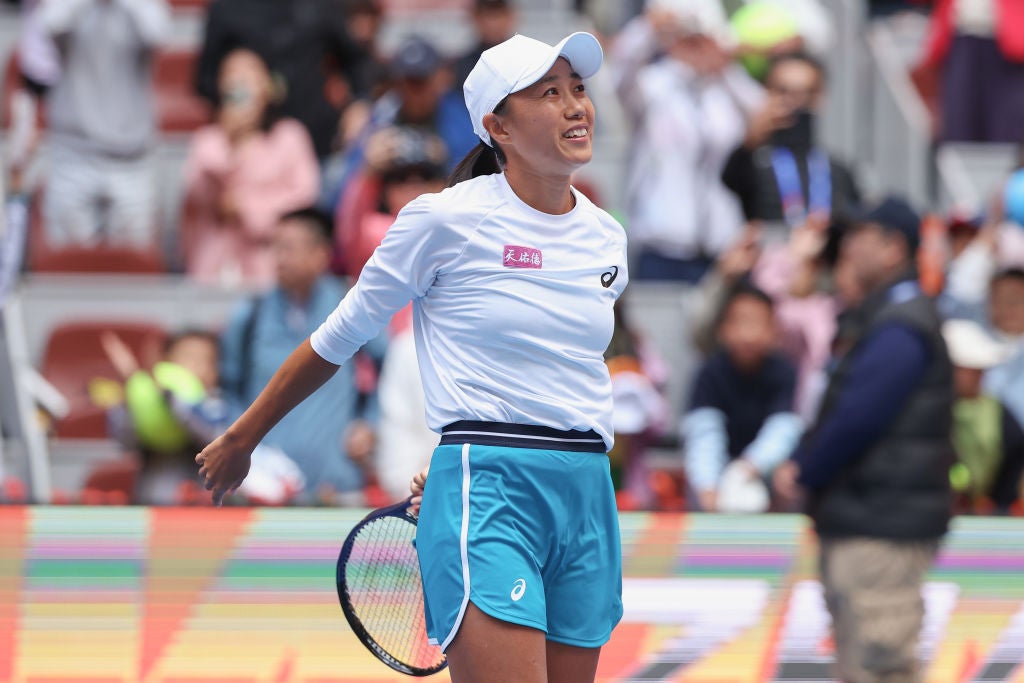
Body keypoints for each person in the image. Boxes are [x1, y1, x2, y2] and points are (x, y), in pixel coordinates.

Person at [197, 31, 627, 682]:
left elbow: (570, 377)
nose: (575, 107)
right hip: (490, 489)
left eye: (578, 90)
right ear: (497, 127)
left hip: (588, 492)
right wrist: (243, 435)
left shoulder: (608, 237)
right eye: (549, 93)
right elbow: (335, 338)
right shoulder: (441, 221)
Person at [773, 197, 955, 683]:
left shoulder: (901, 324)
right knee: (867, 665)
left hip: (881, 522)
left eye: (861, 235)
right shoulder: (887, 316)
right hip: (872, 514)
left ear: (893, 249)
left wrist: (805, 469)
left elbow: (857, 418)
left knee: (879, 666)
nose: (848, 247)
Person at [218, 209, 383, 505]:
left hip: (337, 484)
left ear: (321, 254)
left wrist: (369, 422)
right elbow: (229, 391)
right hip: (266, 488)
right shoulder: (250, 314)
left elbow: (390, 368)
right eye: (275, 247)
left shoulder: (352, 304)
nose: (279, 258)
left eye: (290, 248)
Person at [610, 0, 763, 282]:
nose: (694, 47)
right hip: (663, 242)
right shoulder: (654, 85)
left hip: (722, 243)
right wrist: (648, 30)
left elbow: (761, 116)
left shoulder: (725, 93)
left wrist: (725, 64)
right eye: (688, 39)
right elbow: (620, 75)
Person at [183, 49, 320, 287]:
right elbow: (195, 196)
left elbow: (304, 196)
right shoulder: (207, 141)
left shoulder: (289, 136)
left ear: (268, 87)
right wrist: (231, 145)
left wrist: (248, 207)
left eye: (249, 73)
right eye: (232, 74)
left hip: (271, 264)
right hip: (214, 265)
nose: (240, 81)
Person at [41, 0, 169, 248]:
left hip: (132, 159)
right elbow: (50, 23)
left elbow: (158, 32)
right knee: (69, 267)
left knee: (132, 265)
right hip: (72, 155)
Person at [682, 282, 803, 512]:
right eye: (739, 322)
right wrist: (708, 488)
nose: (748, 333)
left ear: (774, 330)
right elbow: (703, 434)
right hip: (717, 477)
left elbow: (783, 430)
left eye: (757, 323)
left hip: (760, 472)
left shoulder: (785, 372)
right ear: (722, 329)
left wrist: (748, 468)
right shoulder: (710, 372)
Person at [195, 0, 367, 159]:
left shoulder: (322, 5)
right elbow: (206, 79)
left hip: (316, 143)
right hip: (250, 150)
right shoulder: (227, 7)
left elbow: (358, 62)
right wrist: (232, 107)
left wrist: (358, 105)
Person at [721, 52, 861, 227]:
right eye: (783, 92)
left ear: (821, 97)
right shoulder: (752, 161)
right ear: (766, 93)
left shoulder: (838, 170)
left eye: (807, 93)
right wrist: (753, 137)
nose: (795, 103)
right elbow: (728, 180)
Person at [942, 318, 1024, 515]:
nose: (981, 376)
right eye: (973, 370)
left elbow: (1014, 458)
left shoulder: (995, 411)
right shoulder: (925, 410)